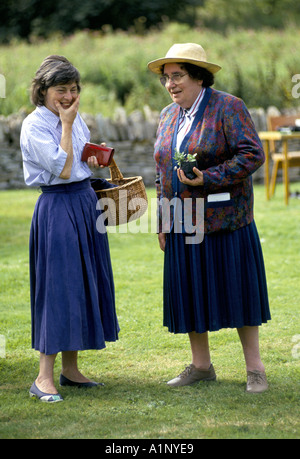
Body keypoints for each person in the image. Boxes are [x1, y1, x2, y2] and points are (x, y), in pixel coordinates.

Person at [148, 43, 271, 393]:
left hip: (226, 219)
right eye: (166, 78)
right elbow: (161, 171)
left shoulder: (228, 107)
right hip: (183, 220)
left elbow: (252, 154)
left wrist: (209, 177)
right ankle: (201, 367)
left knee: (239, 291)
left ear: (198, 76)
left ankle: (255, 370)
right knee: (189, 292)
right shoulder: (167, 115)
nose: (171, 84)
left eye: (178, 76)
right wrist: (163, 218)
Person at [20, 55, 119, 402]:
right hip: (57, 207)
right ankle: (42, 378)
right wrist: (66, 125)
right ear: (43, 91)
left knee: (81, 284)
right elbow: (61, 171)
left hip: (83, 203)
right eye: (61, 89)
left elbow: (76, 163)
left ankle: (70, 371)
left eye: (73, 89)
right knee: (58, 288)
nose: (68, 96)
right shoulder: (35, 126)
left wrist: (92, 158)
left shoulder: (76, 120)